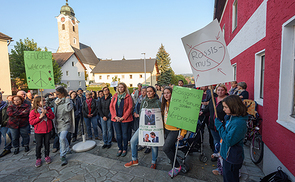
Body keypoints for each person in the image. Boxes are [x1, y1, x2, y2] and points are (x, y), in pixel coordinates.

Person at [124, 86, 161, 169]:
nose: (148, 93)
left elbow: (159, 115)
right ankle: (134, 160)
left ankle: (154, 162)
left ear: (154, 92)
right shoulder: (143, 101)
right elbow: (141, 113)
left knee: (154, 144)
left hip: (153, 127)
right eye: (147, 91)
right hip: (144, 125)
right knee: (133, 141)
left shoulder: (158, 102)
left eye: (150, 91)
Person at [215, 95, 247, 182]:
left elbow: (229, 141)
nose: (223, 109)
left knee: (230, 179)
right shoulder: (231, 117)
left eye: (225, 107)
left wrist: (219, 127)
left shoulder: (238, 123)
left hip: (232, 158)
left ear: (233, 107)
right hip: (227, 155)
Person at [161, 86, 187, 177]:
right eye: (164, 93)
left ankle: (177, 166)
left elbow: (184, 119)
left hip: (175, 130)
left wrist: (183, 134)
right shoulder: (164, 104)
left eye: (168, 93)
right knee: (171, 149)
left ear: (172, 93)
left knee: (165, 148)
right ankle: (173, 163)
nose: (166, 95)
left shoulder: (177, 104)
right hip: (167, 129)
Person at [201, 84, 227, 161]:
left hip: (223, 125)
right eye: (218, 90)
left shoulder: (228, 100)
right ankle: (216, 154)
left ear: (225, 91)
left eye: (222, 90)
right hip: (212, 124)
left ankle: (223, 156)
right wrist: (202, 112)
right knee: (216, 141)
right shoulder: (213, 99)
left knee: (223, 141)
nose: (220, 92)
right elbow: (208, 108)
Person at [29, 96, 54, 167]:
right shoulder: (34, 111)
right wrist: (39, 117)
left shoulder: (48, 109)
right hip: (39, 131)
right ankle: (38, 158)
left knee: (47, 144)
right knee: (39, 145)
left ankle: (47, 156)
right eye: (43, 100)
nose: (45, 102)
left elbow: (52, 117)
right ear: (37, 102)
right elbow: (31, 122)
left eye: (45, 100)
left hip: (47, 130)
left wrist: (47, 113)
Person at [52, 86, 74, 166]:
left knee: (61, 138)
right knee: (62, 137)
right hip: (58, 123)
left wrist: (67, 100)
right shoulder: (56, 101)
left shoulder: (68, 100)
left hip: (66, 122)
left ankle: (63, 156)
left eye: (57, 94)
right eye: (55, 94)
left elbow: (68, 109)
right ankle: (67, 148)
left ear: (62, 93)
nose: (56, 95)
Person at [110, 83, 133, 157]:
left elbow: (130, 108)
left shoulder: (128, 96)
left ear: (124, 88)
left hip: (125, 119)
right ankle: (120, 148)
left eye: (122, 87)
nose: (120, 88)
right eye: (119, 87)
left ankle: (125, 149)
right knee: (118, 135)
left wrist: (123, 117)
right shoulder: (115, 96)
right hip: (116, 119)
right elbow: (111, 107)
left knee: (125, 135)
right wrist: (115, 116)